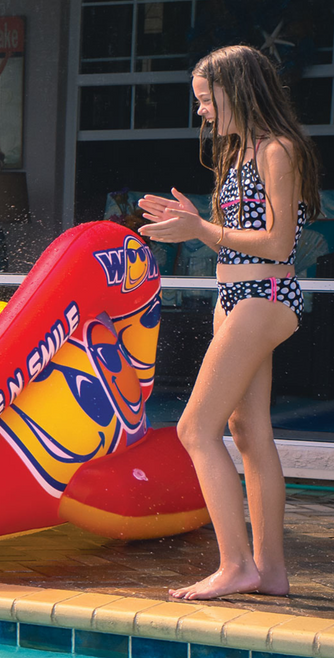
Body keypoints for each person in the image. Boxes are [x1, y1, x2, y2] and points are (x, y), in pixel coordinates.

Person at [137, 44, 321, 601]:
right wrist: (193, 222)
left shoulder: (278, 150)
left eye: (205, 99)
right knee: (248, 432)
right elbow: (234, 239)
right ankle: (270, 571)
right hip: (235, 295)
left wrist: (199, 229)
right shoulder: (237, 154)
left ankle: (236, 565)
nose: (200, 111)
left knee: (195, 429)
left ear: (235, 90)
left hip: (265, 295)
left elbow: (279, 244)